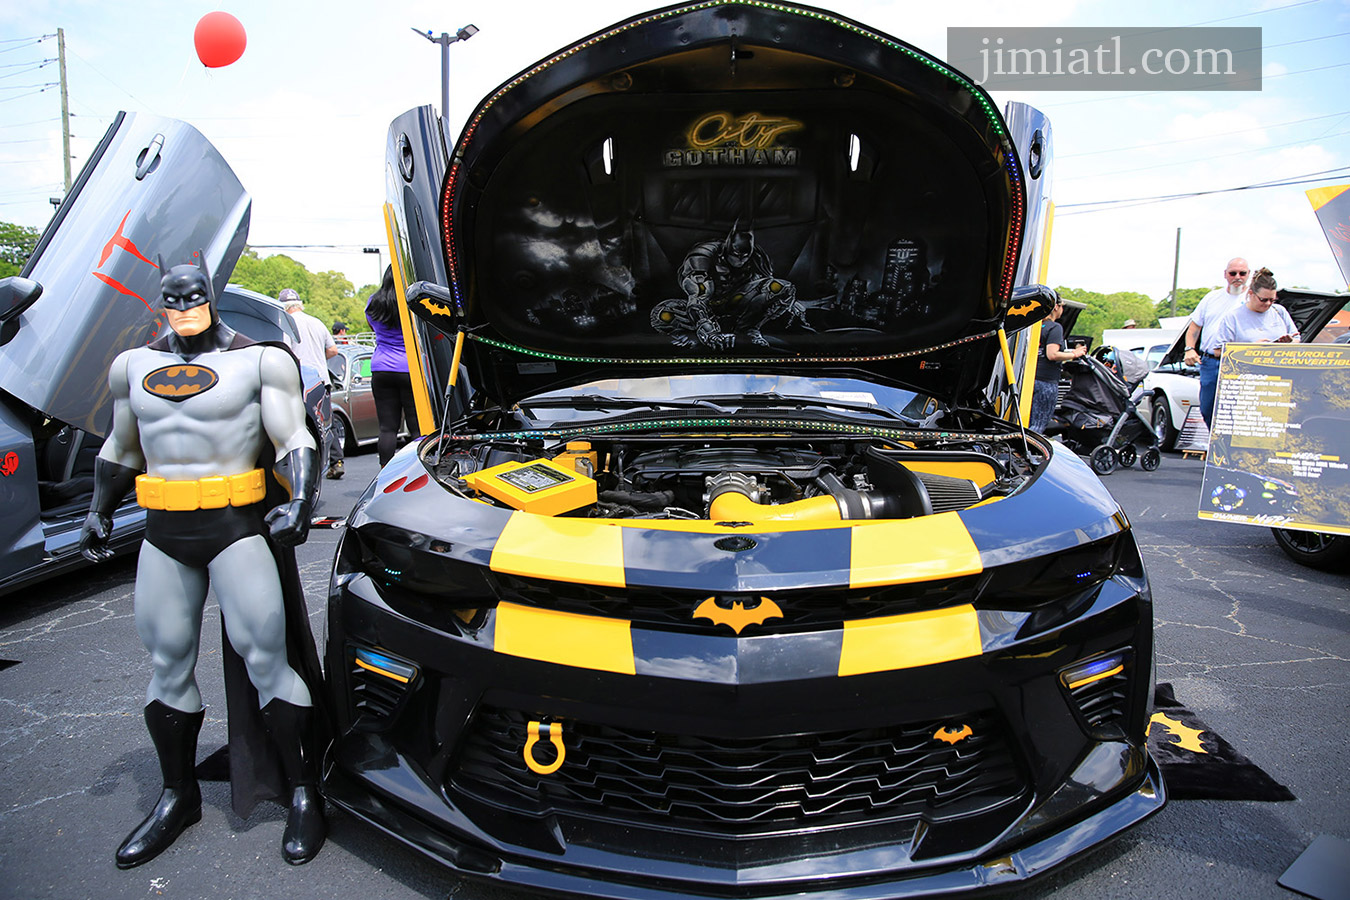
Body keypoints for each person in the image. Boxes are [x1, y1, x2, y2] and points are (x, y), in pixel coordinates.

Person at [79, 259, 327, 868]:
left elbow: (294, 435)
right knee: (166, 663)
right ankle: (177, 795)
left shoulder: (260, 360)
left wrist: (299, 500)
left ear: (211, 296)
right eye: (173, 298)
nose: (185, 307)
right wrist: (97, 508)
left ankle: (303, 793)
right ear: (159, 301)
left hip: (234, 526)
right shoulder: (132, 367)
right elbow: (121, 444)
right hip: (165, 531)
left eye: (195, 297)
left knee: (266, 657)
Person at [279, 289, 344, 479]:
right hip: (322, 380)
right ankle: (336, 461)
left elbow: (285, 352)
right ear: (299, 304)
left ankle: (308, 469)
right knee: (326, 422)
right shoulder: (317, 322)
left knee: (301, 424)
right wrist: (318, 358)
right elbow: (333, 350)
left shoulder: (286, 325)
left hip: (301, 381)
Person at [1183, 257, 1250, 429]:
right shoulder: (1211, 298)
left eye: (1242, 273)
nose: (1237, 277)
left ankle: (1228, 448)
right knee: (1207, 407)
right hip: (1211, 361)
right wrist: (1189, 349)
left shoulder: (1254, 300)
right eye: (1233, 273)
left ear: (1248, 275)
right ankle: (1215, 443)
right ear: (1225, 274)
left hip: (1241, 362)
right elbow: (1194, 328)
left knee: (1238, 409)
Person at [366, 265, 421, 465]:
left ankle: (384, 471)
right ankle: (418, 470)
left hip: (380, 368)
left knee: (387, 428)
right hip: (409, 369)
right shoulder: (410, 301)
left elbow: (373, 326)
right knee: (416, 427)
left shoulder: (373, 303)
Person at [1206, 267, 1300, 361]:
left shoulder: (1279, 311)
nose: (1268, 303)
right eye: (1263, 299)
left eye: (1272, 300)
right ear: (1251, 293)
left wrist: (1289, 343)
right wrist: (1251, 349)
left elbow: (1296, 338)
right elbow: (1218, 351)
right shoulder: (1233, 317)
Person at [1029, 294, 1086, 433]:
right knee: (1038, 424)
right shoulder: (1055, 328)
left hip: (1030, 379)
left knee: (1027, 421)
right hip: (1046, 382)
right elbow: (1052, 354)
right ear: (1055, 307)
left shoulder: (1034, 327)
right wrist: (1075, 354)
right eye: (1062, 307)